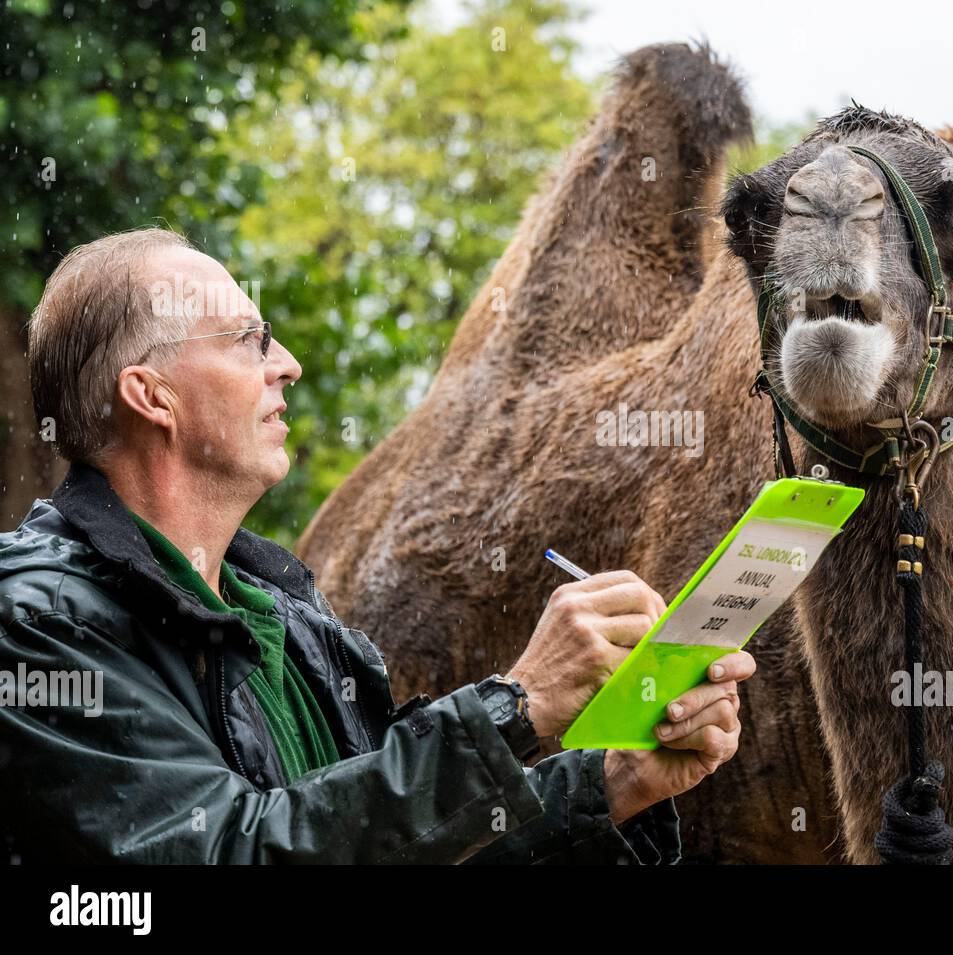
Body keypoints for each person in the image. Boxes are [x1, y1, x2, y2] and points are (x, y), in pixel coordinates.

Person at [0, 228, 751, 864]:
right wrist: (518, 704)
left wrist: (616, 784)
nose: (286, 362)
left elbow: (400, 842)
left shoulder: (289, 616)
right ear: (151, 395)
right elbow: (233, 847)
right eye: (247, 339)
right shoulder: (37, 621)